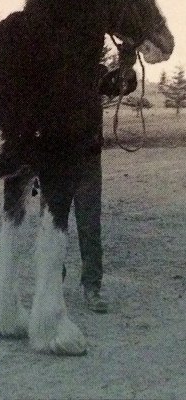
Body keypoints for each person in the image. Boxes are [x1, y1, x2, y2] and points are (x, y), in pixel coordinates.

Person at [67, 44, 139, 313]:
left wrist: (128, 63)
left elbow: (123, 85)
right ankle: (51, 282)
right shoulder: (52, 74)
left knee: (89, 226)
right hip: (55, 163)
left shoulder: (96, 74)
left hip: (87, 160)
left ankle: (92, 288)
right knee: (52, 227)